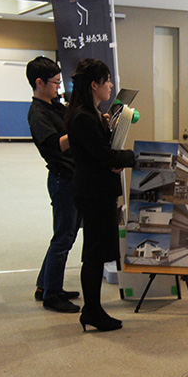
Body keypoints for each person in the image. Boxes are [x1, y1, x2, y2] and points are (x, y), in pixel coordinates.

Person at [65, 59, 135, 332]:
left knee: (97, 250)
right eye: (106, 81)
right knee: (94, 253)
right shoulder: (83, 117)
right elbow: (104, 156)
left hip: (97, 189)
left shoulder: (90, 113)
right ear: (94, 85)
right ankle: (92, 310)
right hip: (93, 192)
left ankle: (93, 309)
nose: (111, 86)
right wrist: (132, 156)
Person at [26, 56, 81, 313]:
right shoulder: (37, 113)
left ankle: (44, 285)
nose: (58, 87)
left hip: (71, 176)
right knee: (63, 237)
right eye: (55, 82)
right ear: (39, 82)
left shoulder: (54, 105)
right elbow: (53, 144)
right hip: (62, 179)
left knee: (65, 233)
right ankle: (52, 294)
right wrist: (80, 132)